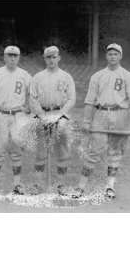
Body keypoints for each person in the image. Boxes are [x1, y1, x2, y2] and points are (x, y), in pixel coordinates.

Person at [73, 43, 130, 199]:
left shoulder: (128, 76)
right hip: (101, 114)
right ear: (106, 56)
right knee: (94, 152)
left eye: (116, 54)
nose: (112, 56)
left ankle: (110, 186)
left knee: (115, 153)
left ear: (120, 56)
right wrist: (86, 121)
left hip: (121, 115)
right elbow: (89, 101)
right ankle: (80, 187)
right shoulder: (97, 76)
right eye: (110, 54)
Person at [0, 45, 31, 196]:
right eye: (9, 55)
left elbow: (33, 94)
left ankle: (17, 185)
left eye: (15, 55)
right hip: (0, 114)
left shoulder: (25, 75)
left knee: (17, 150)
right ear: (4, 57)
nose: (12, 58)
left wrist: (29, 108)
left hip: (18, 115)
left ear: (19, 57)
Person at [29, 46, 76, 195]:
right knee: (41, 152)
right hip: (42, 114)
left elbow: (71, 98)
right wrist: (42, 115)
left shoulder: (66, 77)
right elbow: (33, 99)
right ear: (44, 59)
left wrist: (60, 114)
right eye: (48, 57)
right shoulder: (37, 77)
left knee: (63, 152)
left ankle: (61, 185)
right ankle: (37, 184)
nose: (51, 60)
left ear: (59, 58)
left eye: (54, 57)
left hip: (60, 114)